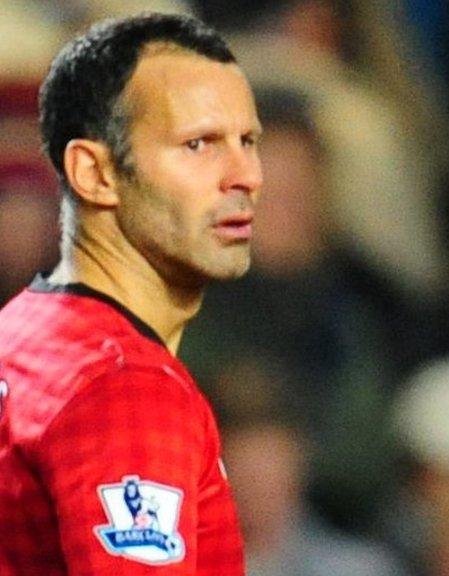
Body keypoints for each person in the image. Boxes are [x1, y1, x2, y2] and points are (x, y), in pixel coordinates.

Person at [0, 12, 261, 575]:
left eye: (247, 140)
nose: (246, 175)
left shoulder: (18, 332)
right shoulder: (125, 389)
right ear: (94, 173)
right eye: (199, 144)